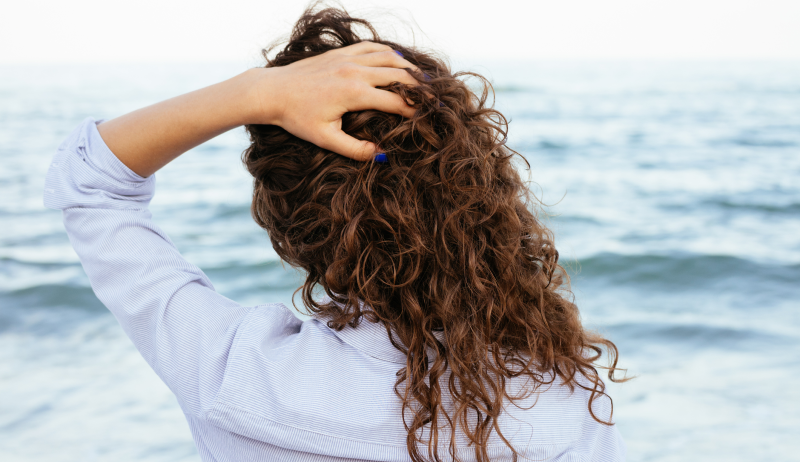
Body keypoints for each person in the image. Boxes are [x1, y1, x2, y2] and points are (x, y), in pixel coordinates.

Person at [44, 6, 626, 462]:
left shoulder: (234, 376)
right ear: (479, 191)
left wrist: (255, 93)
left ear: (288, 224)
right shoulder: (562, 401)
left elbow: (89, 182)